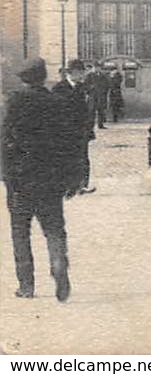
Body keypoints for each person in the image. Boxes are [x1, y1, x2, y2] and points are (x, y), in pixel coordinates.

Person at [3, 57, 81, 302]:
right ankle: (59, 266)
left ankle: (26, 285)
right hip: (50, 179)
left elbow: (4, 141)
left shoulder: (13, 104)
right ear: (44, 76)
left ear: (23, 79)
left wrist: (6, 174)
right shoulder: (57, 103)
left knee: (20, 231)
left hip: (21, 180)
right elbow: (70, 144)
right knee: (54, 228)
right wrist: (72, 178)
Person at [52, 61, 95, 195]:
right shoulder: (59, 88)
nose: (82, 74)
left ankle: (82, 185)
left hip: (81, 130)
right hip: (64, 131)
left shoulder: (85, 88)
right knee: (66, 158)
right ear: (71, 73)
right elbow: (55, 111)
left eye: (83, 72)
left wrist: (89, 128)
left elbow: (89, 110)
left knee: (83, 157)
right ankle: (67, 186)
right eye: (80, 72)